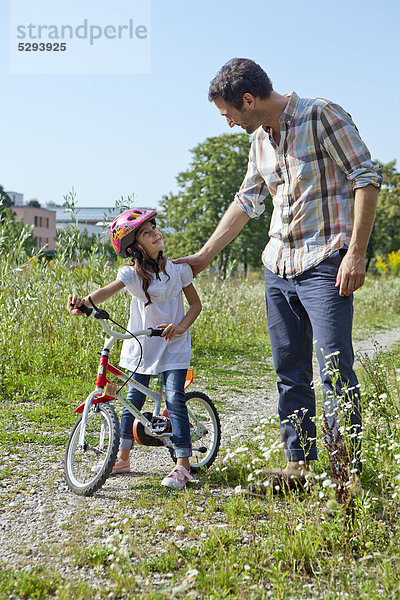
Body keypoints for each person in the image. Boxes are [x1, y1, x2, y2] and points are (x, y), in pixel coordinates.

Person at [175, 58, 382, 492]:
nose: (228, 122)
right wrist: (204, 256)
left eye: (228, 113)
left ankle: (347, 478)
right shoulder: (260, 143)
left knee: (334, 368)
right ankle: (299, 468)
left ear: (248, 100)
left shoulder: (321, 115)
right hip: (278, 266)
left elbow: (366, 178)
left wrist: (356, 253)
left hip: (326, 262)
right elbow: (246, 201)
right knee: (289, 370)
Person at [67, 208, 202, 490]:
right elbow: (106, 291)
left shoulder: (179, 271)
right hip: (142, 344)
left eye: (154, 228)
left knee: (175, 397)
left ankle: (183, 465)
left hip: (173, 344)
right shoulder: (130, 274)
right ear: (134, 247)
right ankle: (122, 458)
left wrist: (181, 327)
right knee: (131, 400)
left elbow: (195, 306)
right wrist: (85, 303)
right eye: (146, 232)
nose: (155, 233)